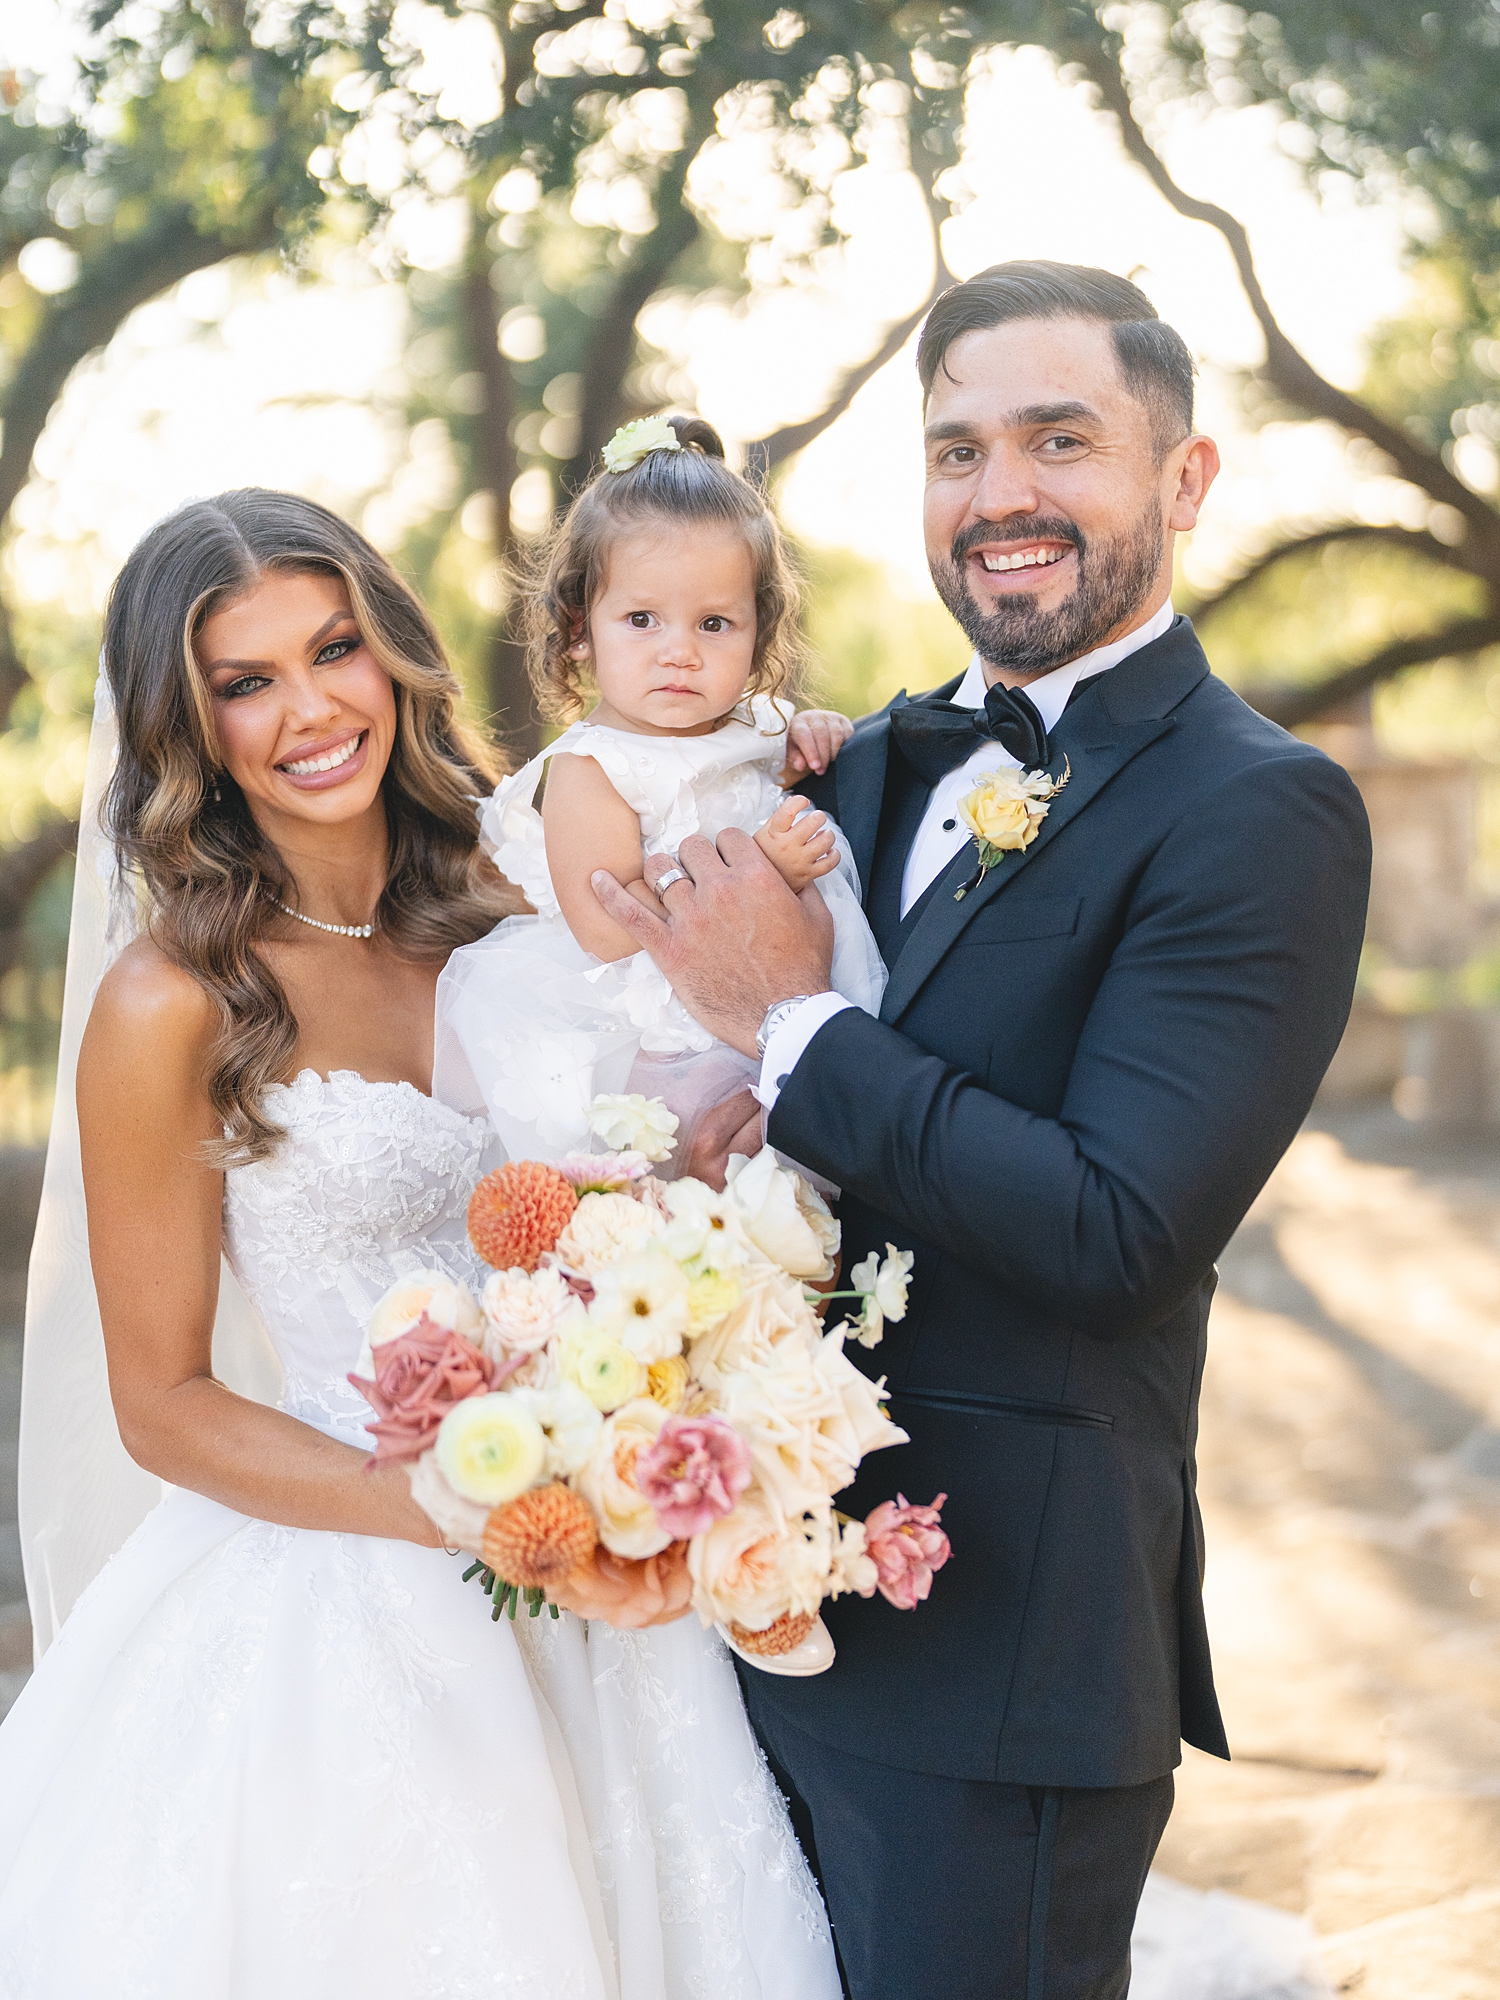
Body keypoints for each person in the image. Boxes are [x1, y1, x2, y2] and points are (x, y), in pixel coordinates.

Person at [587, 261, 1373, 1998]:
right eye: (957, 452)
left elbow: (1115, 1228)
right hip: (733, 1620)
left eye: (1059, 441)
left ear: (1186, 478)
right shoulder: (855, 765)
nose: (999, 493)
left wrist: (792, 1023)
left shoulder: (1261, 810)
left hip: (1005, 1670)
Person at [0, 488, 840, 2000]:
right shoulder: (169, 1002)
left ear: (393, 654)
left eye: (335, 650)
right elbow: (164, 1405)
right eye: (244, 681)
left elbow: (664, 1117)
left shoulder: (527, 891)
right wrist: (471, 1514)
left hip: (615, 1546)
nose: (312, 710)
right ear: (187, 727)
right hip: (355, 1583)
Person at [431, 411, 883, 1170]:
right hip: (670, 1041)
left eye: (715, 624)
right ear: (580, 628)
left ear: (758, 634)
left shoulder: (753, 725)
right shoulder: (592, 768)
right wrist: (764, 867)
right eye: (642, 619)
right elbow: (608, 927)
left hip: (793, 1001)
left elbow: (775, 763)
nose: (680, 652)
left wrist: (815, 732)